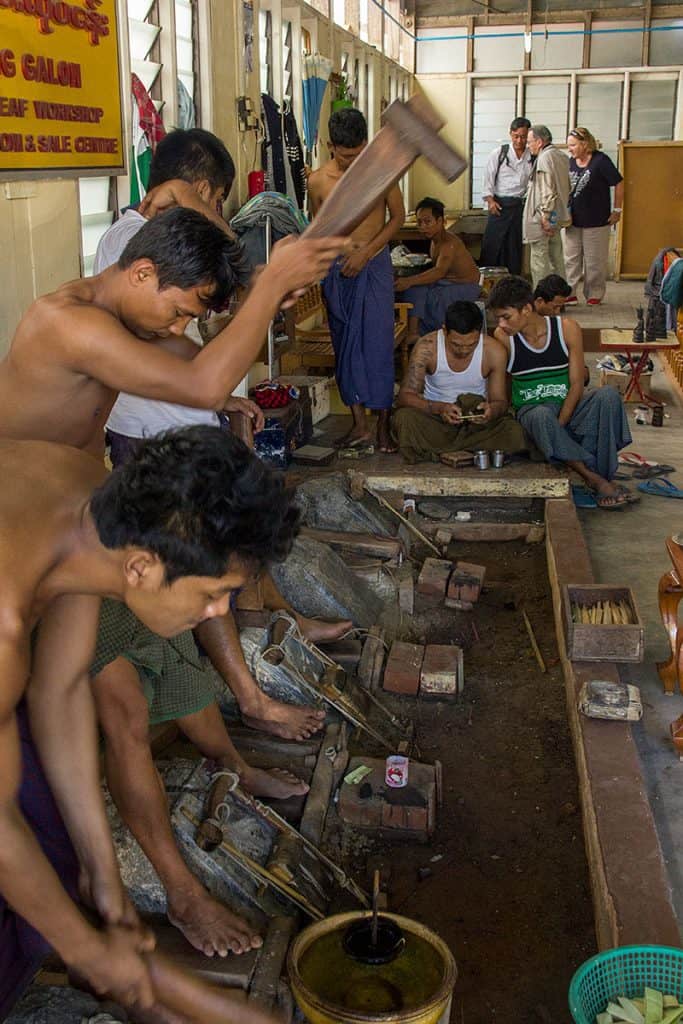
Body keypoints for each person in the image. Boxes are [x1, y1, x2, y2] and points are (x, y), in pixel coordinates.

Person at [0, 427, 299, 1015]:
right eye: (215, 593)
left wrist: (105, 884)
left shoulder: (92, 502)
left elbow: (59, 690)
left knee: (55, 862)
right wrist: (89, 950)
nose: (218, 612)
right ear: (140, 568)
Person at [0, 208, 345, 458]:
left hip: (69, 489)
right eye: (179, 313)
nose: (179, 329)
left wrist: (261, 296)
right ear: (142, 273)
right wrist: (271, 286)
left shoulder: (130, 317)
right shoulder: (70, 322)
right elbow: (202, 384)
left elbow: (200, 366)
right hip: (22, 502)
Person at [308, 108, 405, 452]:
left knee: (377, 346)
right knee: (345, 346)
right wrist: (339, 252)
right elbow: (319, 229)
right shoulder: (318, 181)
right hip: (338, 271)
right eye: (346, 156)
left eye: (359, 153)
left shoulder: (381, 172)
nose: (353, 163)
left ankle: (383, 427)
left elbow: (398, 218)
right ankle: (359, 424)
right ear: (330, 146)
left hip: (375, 263)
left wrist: (366, 252)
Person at [489, 275, 632, 508]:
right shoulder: (503, 338)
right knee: (541, 416)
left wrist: (561, 424)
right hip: (533, 413)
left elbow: (577, 383)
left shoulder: (567, 329)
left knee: (608, 396)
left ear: (526, 309)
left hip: (567, 408)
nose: (502, 324)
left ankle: (598, 470)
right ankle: (594, 479)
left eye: (506, 317)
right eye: (499, 319)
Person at [392, 300, 528, 463]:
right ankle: (472, 452)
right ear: (444, 330)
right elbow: (404, 397)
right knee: (404, 419)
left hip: (475, 423)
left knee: (513, 431)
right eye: (456, 344)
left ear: (479, 333)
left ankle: (442, 451)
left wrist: (491, 411)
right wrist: (439, 408)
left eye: (471, 344)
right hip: (436, 420)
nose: (464, 350)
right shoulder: (427, 347)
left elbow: (500, 401)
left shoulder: (494, 350)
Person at [394, 197, 481, 342]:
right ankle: (413, 332)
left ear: (441, 221)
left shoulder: (449, 244)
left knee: (417, 290)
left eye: (427, 222)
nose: (422, 227)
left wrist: (409, 281)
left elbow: (439, 272)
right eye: (419, 222)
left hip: (464, 288)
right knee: (415, 288)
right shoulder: (435, 241)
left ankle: (415, 333)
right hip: (446, 284)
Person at [565, 127, 624, 305]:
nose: (570, 149)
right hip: (572, 220)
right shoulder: (570, 162)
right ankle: (570, 292)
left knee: (594, 261)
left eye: (573, 145)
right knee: (571, 259)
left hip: (597, 220)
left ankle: (594, 293)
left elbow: (619, 183)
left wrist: (617, 210)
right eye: (569, 145)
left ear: (584, 144)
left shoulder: (601, 161)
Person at [480, 117, 534, 276]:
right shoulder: (499, 153)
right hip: (498, 205)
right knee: (493, 246)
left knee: (514, 248)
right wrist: (490, 201)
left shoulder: (532, 156)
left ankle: (514, 282)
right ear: (510, 134)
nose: (519, 140)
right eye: (516, 136)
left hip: (519, 206)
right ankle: (488, 282)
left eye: (523, 137)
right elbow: (487, 180)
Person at [523, 126, 570, 287]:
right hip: (557, 215)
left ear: (539, 141)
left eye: (530, 142)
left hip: (543, 217)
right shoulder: (561, 156)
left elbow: (547, 190)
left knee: (539, 260)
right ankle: (561, 295)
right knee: (557, 257)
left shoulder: (544, 158)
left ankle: (543, 296)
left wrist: (545, 216)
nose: (528, 146)